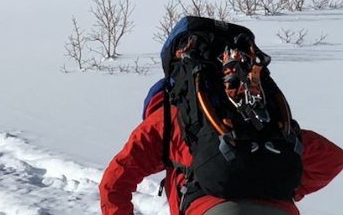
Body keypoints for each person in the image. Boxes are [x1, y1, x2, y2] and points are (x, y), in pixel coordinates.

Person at [100, 80, 343, 215]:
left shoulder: (163, 119)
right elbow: (332, 159)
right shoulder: (256, 119)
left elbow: (114, 183)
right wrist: (276, 184)